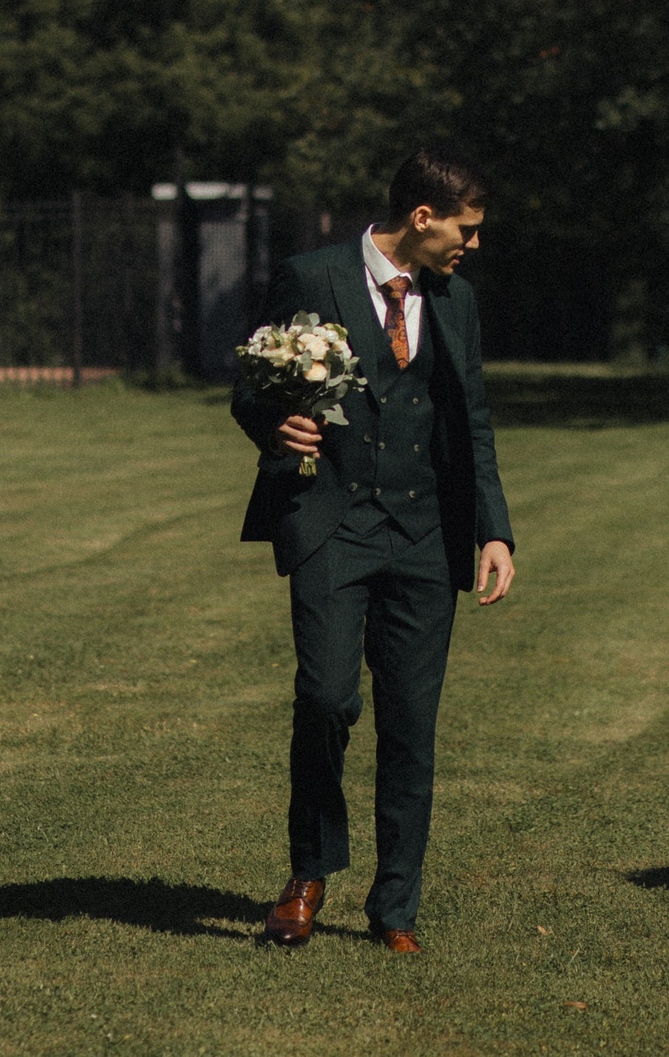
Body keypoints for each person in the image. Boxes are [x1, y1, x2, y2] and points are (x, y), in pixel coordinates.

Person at [229, 148, 517, 953]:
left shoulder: (455, 301)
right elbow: (250, 382)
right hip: (332, 522)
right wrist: (271, 422)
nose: (474, 244)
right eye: (467, 227)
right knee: (325, 695)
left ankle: (395, 907)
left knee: (411, 721)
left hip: (426, 534)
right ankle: (309, 871)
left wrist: (492, 527)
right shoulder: (311, 276)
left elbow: (475, 420)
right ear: (422, 217)